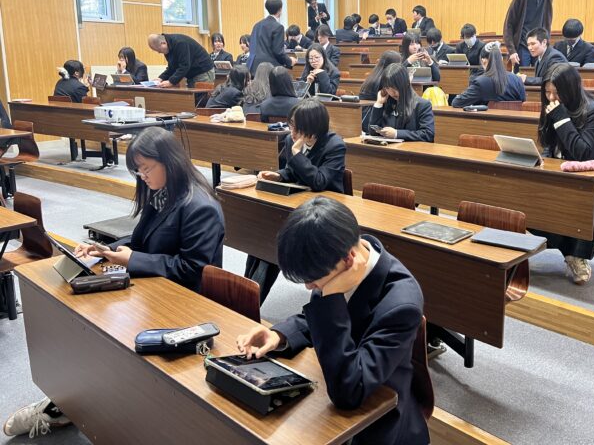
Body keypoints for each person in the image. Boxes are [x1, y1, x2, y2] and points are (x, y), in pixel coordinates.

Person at [4, 128, 225, 439]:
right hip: (155, 288)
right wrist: (105, 250)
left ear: (170, 162)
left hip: (186, 303)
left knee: (108, 332)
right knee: (86, 317)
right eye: (138, 170)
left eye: (146, 168)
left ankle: (76, 406)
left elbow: (193, 270)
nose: (142, 176)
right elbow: (142, 240)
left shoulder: (200, 207)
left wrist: (132, 260)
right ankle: (70, 401)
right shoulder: (163, 193)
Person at [236, 197, 428, 445]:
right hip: (335, 392)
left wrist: (331, 296)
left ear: (349, 260)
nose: (309, 287)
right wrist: (279, 335)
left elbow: (349, 390)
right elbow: (316, 318)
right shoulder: (336, 254)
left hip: (380, 420)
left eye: (313, 280)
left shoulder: (401, 304)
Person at [250, 99, 348, 299]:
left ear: (313, 127)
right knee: (263, 239)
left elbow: (319, 181)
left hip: (325, 212)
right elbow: (292, 171)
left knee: (276, 240)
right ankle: (248, 295)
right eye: (291, 125)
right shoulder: (290, 141)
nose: (292, 132)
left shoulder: (334, 145)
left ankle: (250, 298)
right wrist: (279, 175)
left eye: (297, 128)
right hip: (298, 204)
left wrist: (296, 155)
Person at [531, 63, 594, 285]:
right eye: (547, 92)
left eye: (556, 93)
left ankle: (577, 255)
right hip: (558, 175)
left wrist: (560, 118)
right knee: (526, 198)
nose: (551, 98)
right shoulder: (551, 106)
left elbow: (582, 152)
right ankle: (569, 251)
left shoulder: (593, 112)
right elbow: (548, 143)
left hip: (590, 181)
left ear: (570, 90)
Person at [368, 64, 435, 142]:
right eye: (387, 88)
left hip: (410, 148)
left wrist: (397, 134)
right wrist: (379, 103)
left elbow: (428, 134)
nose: (392, 93)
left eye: (395, 88)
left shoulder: (422, 105)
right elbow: (372, 132)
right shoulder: (387, 102)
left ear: (406, 84)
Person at [503, 0, 554, 67]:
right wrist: (512, 51)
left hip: (540, 42)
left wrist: (546, 42)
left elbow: (547, 18)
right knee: (522, 73)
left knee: (541, 72)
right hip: (523, 43)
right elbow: (509, 24)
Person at [451, 42, 526, 108]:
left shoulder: (481, 82)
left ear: (483, 61)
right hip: (513, 119)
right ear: (501, 59)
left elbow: (456, 102)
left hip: (488, 120)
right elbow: (523, 103)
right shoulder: (517, 80)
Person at [247, 0, 295, 75]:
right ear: (280, 9)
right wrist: (290, 61)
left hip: (252, 66)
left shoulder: (257, 25)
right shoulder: (278, 27)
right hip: (268, 68)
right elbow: (278, 51)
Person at [148, 33, 215, 88]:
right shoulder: (168, 47)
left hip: (202, 71)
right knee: (193, 97)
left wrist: (171, 81)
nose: (159, 52)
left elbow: (184, 66)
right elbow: (172, 68)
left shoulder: (180, 43)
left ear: (163, 43)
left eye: (159, 50)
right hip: (192, 74)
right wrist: (161, 78)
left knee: (201, 97)